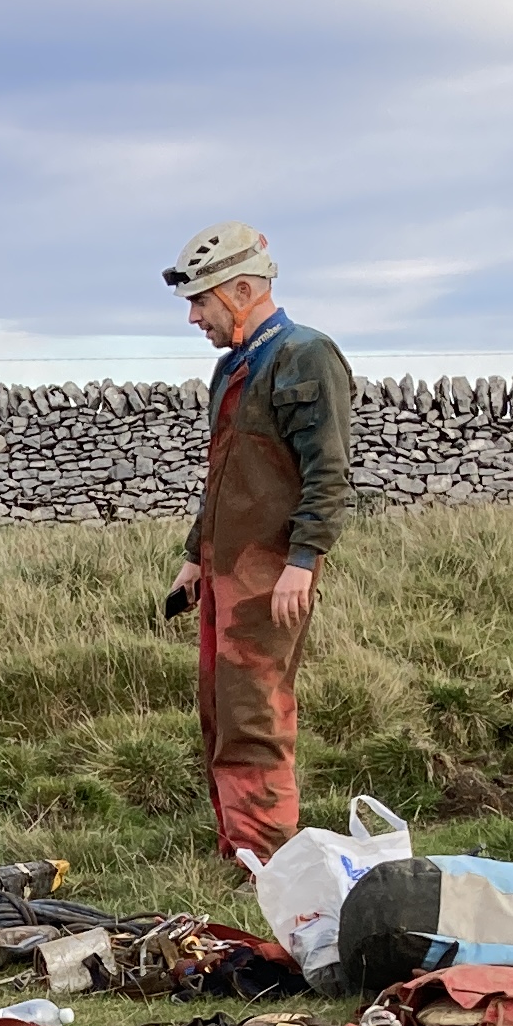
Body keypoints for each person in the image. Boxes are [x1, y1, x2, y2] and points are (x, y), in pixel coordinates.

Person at [163, 223, 353, 865]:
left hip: (271, 572)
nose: (195, 317)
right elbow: (222, 474)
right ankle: (239, 850)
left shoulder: (307, 355)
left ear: (242, 290)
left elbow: (328, 472)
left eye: (201, 301)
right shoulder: (233, 366)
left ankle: (269, 862)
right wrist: (195, 556)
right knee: (220, 707)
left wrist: (303, 561)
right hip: (224, 568)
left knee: (255, 713)